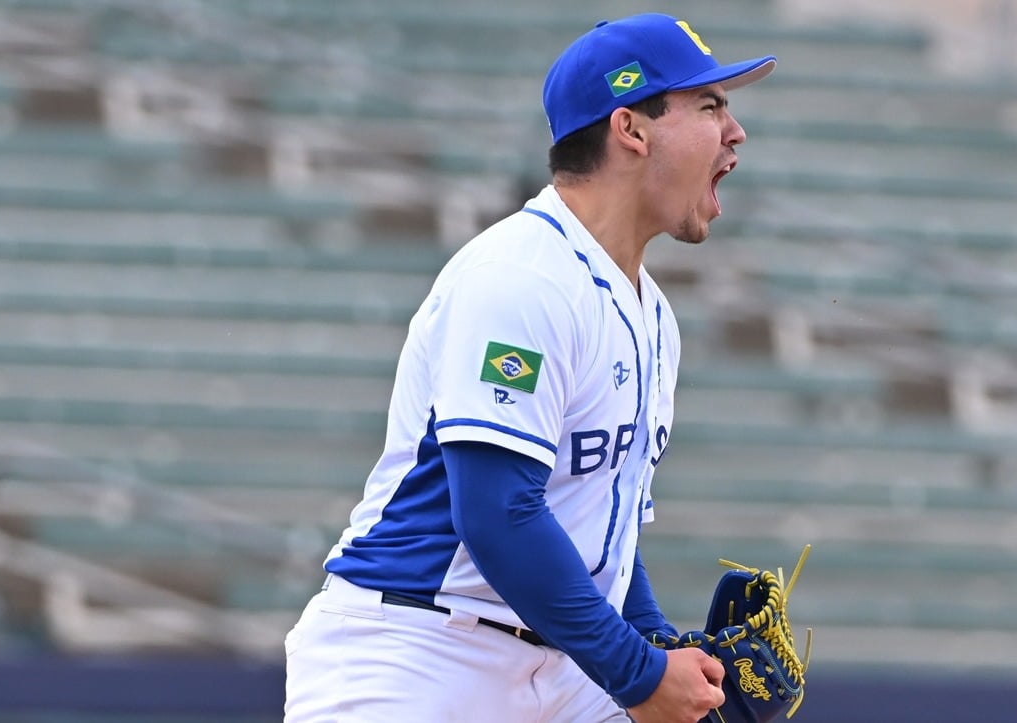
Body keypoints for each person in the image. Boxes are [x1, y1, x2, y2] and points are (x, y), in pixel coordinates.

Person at [284, 13, 775, 723]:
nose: (735, 132)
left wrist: (667, 651)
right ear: (631, 129)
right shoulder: (522, 276)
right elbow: (498, 514)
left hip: (564, 659)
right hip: (419, 648)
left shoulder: (652, 315)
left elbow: (602, 535)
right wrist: (641, 672)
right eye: (710, 105)